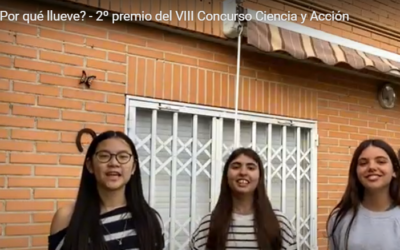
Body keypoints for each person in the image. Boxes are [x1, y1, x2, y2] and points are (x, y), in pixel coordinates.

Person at [48, 129, 164, 250]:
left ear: (133, 167)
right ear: (90, 165)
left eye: (123, 156)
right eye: (104, 156)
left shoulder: (151, 220)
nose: (114, 163)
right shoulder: (66, 218)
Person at [189, 147, 297, 250]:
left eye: (251, 167)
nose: (243, 172)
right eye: (236, 167)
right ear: (226, 175)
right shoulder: (208, 225)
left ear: (260, 176)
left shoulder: (280, 223)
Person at [326, 139, 400, 250]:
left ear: (395, 170)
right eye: (363, 163)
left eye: (381, 161)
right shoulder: (339, 218)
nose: (372, 167)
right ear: (356, 172)